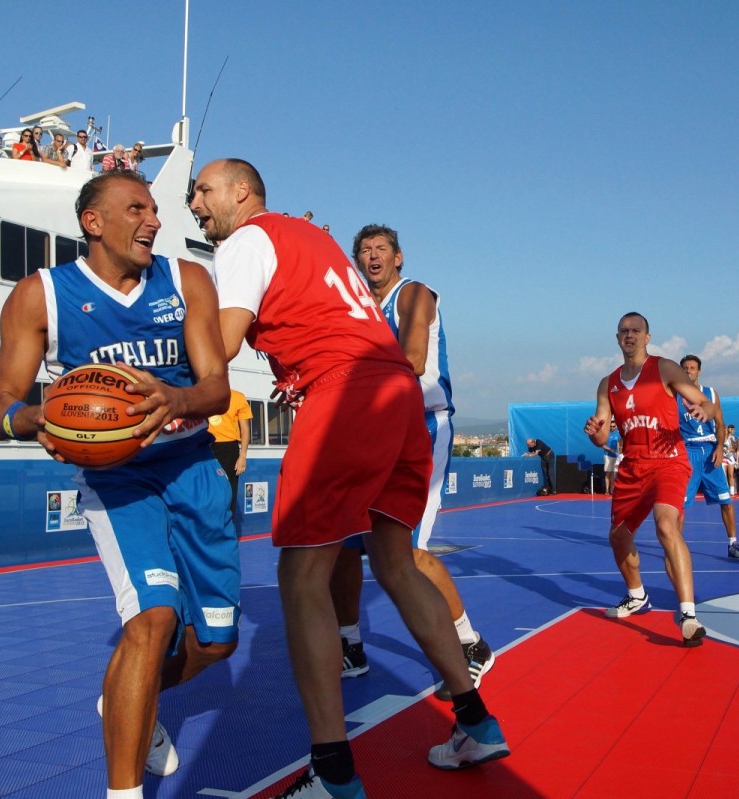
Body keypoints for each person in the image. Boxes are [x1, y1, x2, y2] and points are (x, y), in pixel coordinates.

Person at [191, 158, 508, 797]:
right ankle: (476, 721)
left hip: (347, 393)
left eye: (203, 189)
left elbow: (220, 346)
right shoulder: (311, 238)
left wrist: (144, 369)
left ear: (242, 192)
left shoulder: (247, 240)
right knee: (396, 562)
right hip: (398, 397)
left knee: (301, 574)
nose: (193, 202)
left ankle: (333, 773)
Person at [0, 171, 240, 799]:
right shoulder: (40, 295)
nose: (154, 220)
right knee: (152, 620)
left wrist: (177, 397)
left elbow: (217, 388)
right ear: (93, 223)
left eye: (154, 209)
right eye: (136, 209)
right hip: (115, 476)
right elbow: (0, 408)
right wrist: (35, 419)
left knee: (216, 642)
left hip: (192, 466)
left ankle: (127, 701)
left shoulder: (187, 280)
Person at [330, 224, 496, 703]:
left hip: (422, 427)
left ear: (398, 257)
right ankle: (350, 645)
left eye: (381, 248)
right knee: (344, 544)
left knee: (407, 553)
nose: (373, 255)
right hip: (376, 431)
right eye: (365, 250)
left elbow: (414, 359)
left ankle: (471, 643)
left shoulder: (414, 293)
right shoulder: (360, 307)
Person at [583, 312, 716, 646]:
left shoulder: (664, 368)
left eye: (635, 330)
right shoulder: (608, 383)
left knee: (666, 526)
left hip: (669, 461)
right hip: (632, 467)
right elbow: (602, 436)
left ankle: (688, 616)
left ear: (647, 336)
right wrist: (595, 433)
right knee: (618, 537)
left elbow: (705, 403)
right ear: (617, 338)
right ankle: (637, 596)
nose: (629, 335)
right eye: (623, 331)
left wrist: (705, 410)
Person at [677, 355, 739, 560]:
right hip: (688, 451)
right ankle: (675, 547)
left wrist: (720, 447)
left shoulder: (710, 394)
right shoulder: (673, 396)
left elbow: (721, 424)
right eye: (685, 368)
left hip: (709, 451)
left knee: (726, 500)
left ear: (699, 371)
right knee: (680, 505)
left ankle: (733, 544)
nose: (689, 371)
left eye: (692, 368)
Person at [207, 388, 252, 513]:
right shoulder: (203, 395)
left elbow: (245, 430)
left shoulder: (238, 397)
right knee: (207, 490)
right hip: (205, 446)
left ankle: (228, 522)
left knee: (229, 490)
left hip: (228, 449)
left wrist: (242, 456)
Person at [602, 427, 621, 495]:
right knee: (608, 473)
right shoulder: (605, 433)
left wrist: (618, 453)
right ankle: (607, 490)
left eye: (613, 427)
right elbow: (602, 445)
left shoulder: (618, 434)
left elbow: (618, 443)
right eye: (611, 426)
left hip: (615, 456)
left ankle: (612, 490)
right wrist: (610, 449)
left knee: (613, 473)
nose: (612, 428)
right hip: (607, 455)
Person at [721, 423, 738, 495]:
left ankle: (732, 489)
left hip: (730, 457)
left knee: (731, 474)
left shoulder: (731, 437)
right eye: (723, 429)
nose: (725, 430)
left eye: (726, 429)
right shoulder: (719, 437)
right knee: (723, 475)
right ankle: (725, 489)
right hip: (722, 458)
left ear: (727, 430)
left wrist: (729, 450)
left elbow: (734, 448)